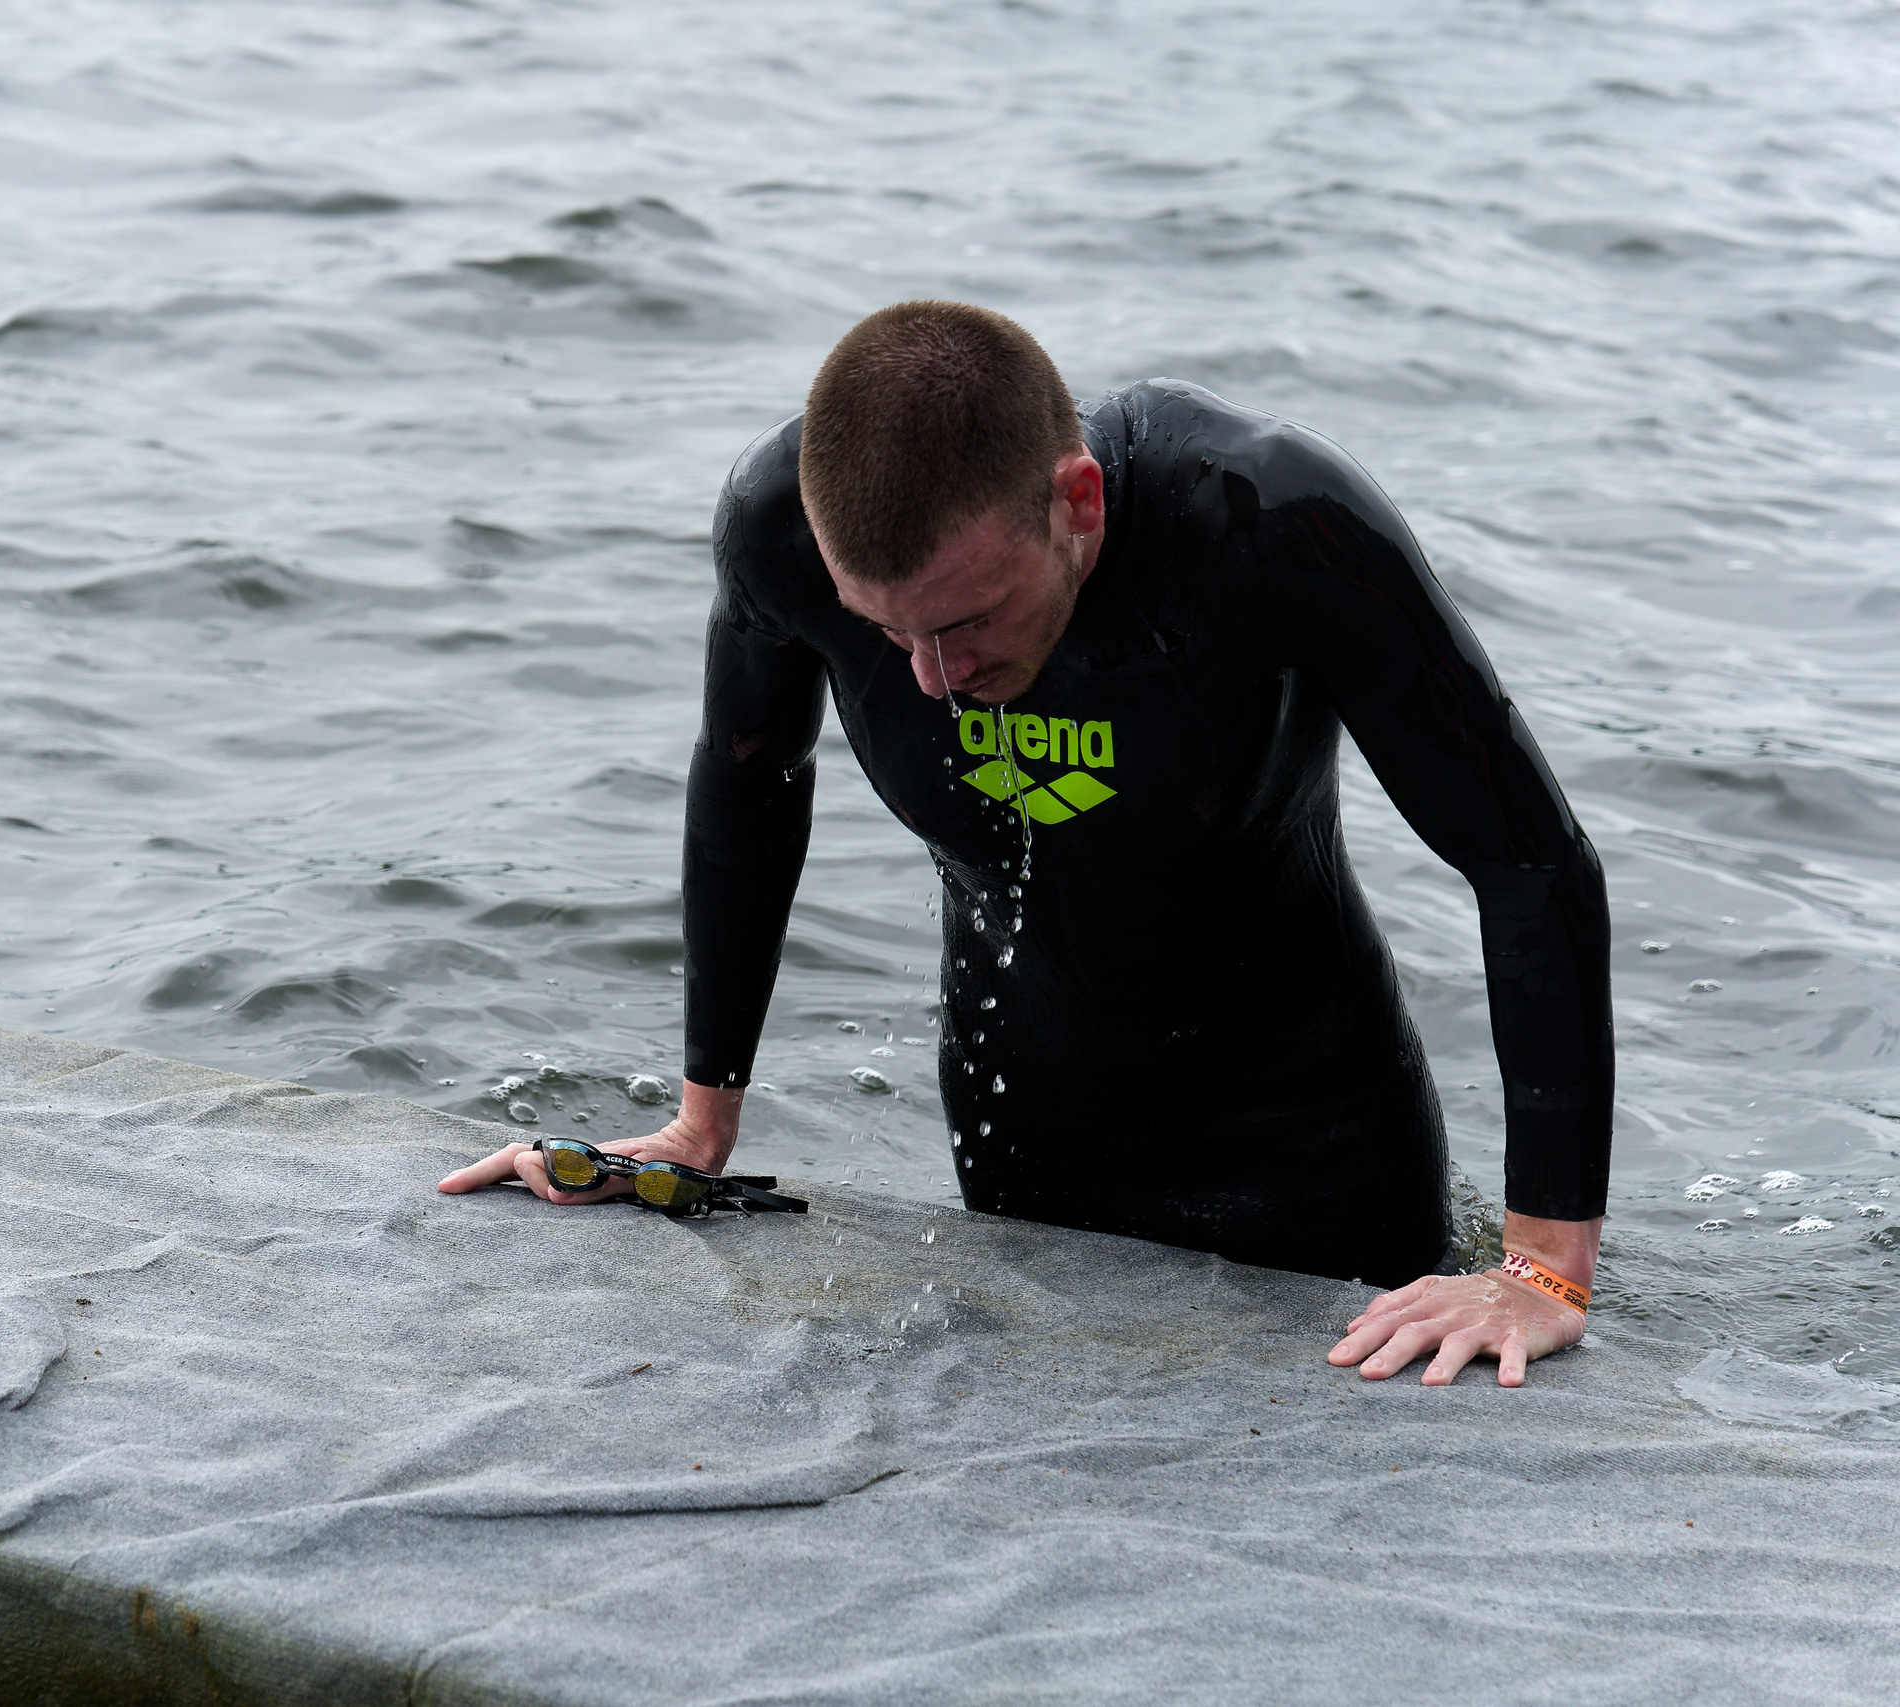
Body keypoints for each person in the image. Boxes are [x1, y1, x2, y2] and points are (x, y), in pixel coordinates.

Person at [443, 301, 1613, 1389]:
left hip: (1311, 1143)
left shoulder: (1266, 518)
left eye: (964, 622)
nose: (933, 681)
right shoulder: (775, 527)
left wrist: (1540, 1271)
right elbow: (751, 784)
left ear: (1079, 503)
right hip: (1026, 1138)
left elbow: (1528, 861)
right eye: (883, 632)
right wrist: (698, 1127)